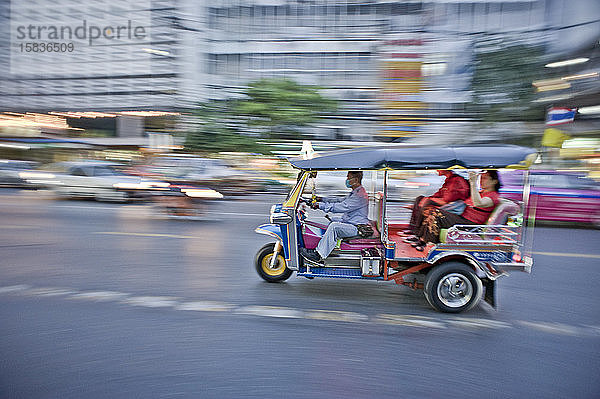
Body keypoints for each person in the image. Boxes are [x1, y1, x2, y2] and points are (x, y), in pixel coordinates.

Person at [410, 170, 502, 251]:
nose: (481, 181)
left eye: (485, 178)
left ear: (494, 181)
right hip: (462, 217)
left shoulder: (493, 196)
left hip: (471, 224)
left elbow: (478, 203)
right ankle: (420, 238)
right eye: (481, 178)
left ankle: (427, 243)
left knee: (436, 214)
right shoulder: (481, 192)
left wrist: (473, 183)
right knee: (432, 210)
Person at [300, 171, 369, 263]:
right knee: (332, 221)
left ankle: (318, 255)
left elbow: (342, 206)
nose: (347, 180)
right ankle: (329, 249)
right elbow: (339, 200)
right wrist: (322, 199)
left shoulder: (359, 195)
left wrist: (320, 205)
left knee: (334, 226)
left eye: (349, 178)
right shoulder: (355, 192)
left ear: (356, 180)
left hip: (357, 228)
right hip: (351, 223)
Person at [405, 170, 470, 235]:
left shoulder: (457, 180)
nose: (437, 170)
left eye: (439, 169)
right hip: (446, 201)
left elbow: (448, 199)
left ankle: (417, 232)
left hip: (453, 205)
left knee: (427, 202)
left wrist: (429, 199)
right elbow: (439, 193)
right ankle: (413, 228)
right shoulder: (449, 180)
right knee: (420, 198)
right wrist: (428, 198)